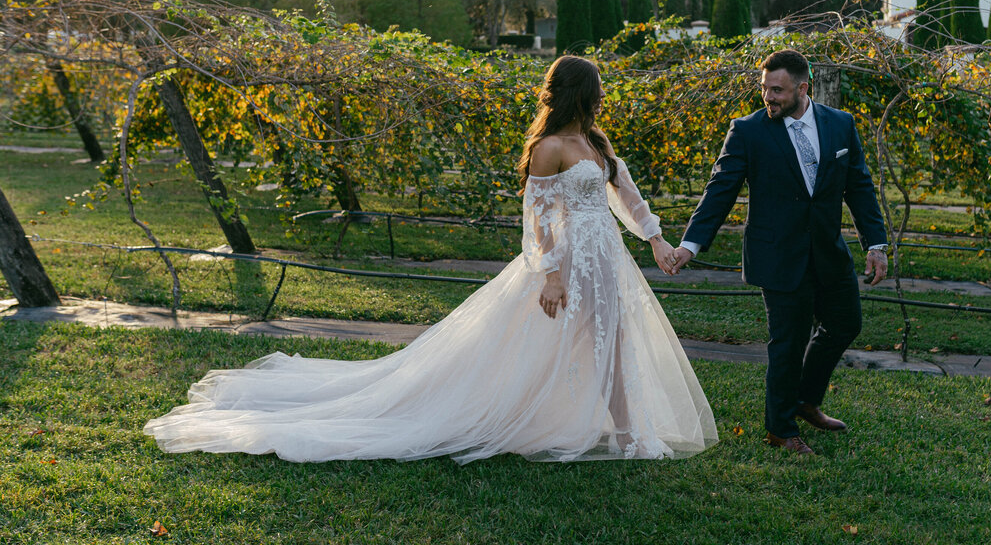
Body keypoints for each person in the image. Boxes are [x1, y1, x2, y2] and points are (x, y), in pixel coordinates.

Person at [144, 55, 717, 463]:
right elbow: (539, 223)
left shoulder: (599, 142)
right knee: (546, 347)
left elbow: (627, 196)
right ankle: (535, 418)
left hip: (607, 259)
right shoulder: (548, 150)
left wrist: (656, 240)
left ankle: (628, 433)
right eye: (596, 91)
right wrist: (551, 277)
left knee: (612, 339)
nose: (601, 100)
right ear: (579, 93)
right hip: (567, 265)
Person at [666, 49, 887, 456]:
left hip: (828, 252)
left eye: (777, 90)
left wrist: (875, 243)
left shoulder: (841, 125)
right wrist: (689, 245)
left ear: (804, 88)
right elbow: (720, 191)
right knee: (787, 342)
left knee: (845, 323)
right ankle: (780, 430)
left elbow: (859, 185)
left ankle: (805, 401)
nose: (768, 97)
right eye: (764, 88)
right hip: (777, 255)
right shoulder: (747, 131)